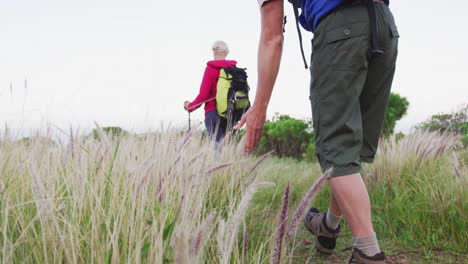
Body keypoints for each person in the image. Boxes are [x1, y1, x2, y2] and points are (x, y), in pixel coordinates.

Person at [235, 0, 398, 263]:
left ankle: (368, 254)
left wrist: (259, 107)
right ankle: (328, 227)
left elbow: (272, 37)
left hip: (341, 28)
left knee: (335, 149)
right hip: (385, 26)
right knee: (350, 150)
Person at [184, 40, 237, 142]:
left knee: (216, 150)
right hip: (230, 115)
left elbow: (203, 95)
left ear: (215, 50)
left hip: (213, 113)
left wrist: (190, 106)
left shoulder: (210, 68)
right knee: (228, 151)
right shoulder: (234, 69)